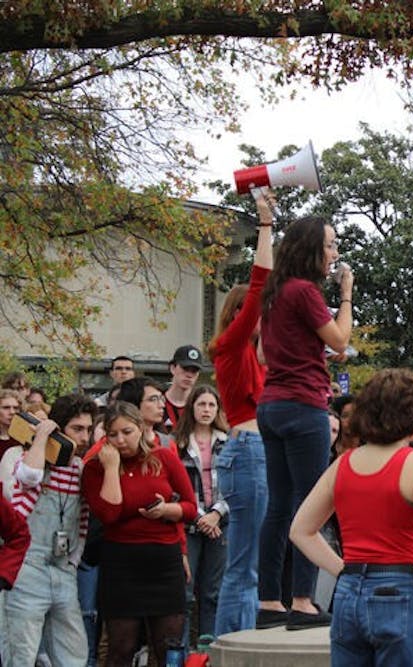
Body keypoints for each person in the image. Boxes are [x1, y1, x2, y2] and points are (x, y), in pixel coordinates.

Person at [289, 368, 413, 666]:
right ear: (406, 414)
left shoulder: (343, 464)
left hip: (349, 591)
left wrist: (343, 570)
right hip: (402, 588)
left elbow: (300, 530)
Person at [256, 213, 354, 630]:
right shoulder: (306, 291)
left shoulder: (275, 293)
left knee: (278, 505)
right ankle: (302, 600)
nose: (334, 254)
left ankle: (269, 603)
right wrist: (346, 295)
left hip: (272, 406)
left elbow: (263, 355)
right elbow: (341, 339)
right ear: (312, 248)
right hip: (303, 407)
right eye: (330, 245)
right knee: (311, 505)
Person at [204, 186, 273, 635]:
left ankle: (238, 641)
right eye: (258, 313)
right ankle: (233, 646)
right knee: (243, 565)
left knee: (250, 562)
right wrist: (266, 225)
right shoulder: (229, 346)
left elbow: (272, 353)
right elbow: (260, 283)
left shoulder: (250, 356)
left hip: (252, 451)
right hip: (247, 452)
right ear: (241, 315)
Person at [81, 402, 197, 667]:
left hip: (163, 561)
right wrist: (112, 468)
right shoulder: (95, 469)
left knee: (168, 649)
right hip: (121, 563)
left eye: (127, 431)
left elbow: (191, 508)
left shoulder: (163, 458)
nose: (121, 440)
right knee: (121, 647)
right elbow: (109, 515)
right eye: (113, 434)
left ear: (141, 429)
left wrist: (167, 509)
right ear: (104, 437)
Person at [4, 393, 97, 667]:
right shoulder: (30, 459)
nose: (84, 437)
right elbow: (28, 477)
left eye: (88, 429)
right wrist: (43, 435)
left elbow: (84, 522)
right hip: (27, 568)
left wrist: (71, 563)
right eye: (77, 429)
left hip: (62, 568)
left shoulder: (80, 468)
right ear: (59, 430)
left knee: (73, 653)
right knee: (22, 653)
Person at [175, 385, 230, 643]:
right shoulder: (179, 442)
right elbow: (175, 486)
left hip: (221, 523)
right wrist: (199, 516)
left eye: (211, 405)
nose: (206, 410)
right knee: (185, 592)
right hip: (189, 524)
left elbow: (237, 483)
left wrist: (216, 513)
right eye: (201, 404)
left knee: (213, 593)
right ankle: (182, 651)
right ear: (192, 408)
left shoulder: (228, 441)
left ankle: (209, 650)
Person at [162, 345, 207, 433]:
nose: (189, 375)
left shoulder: (202, 405)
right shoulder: (158, 403)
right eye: (185, 369)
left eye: (194, 371)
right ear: (173, 368)